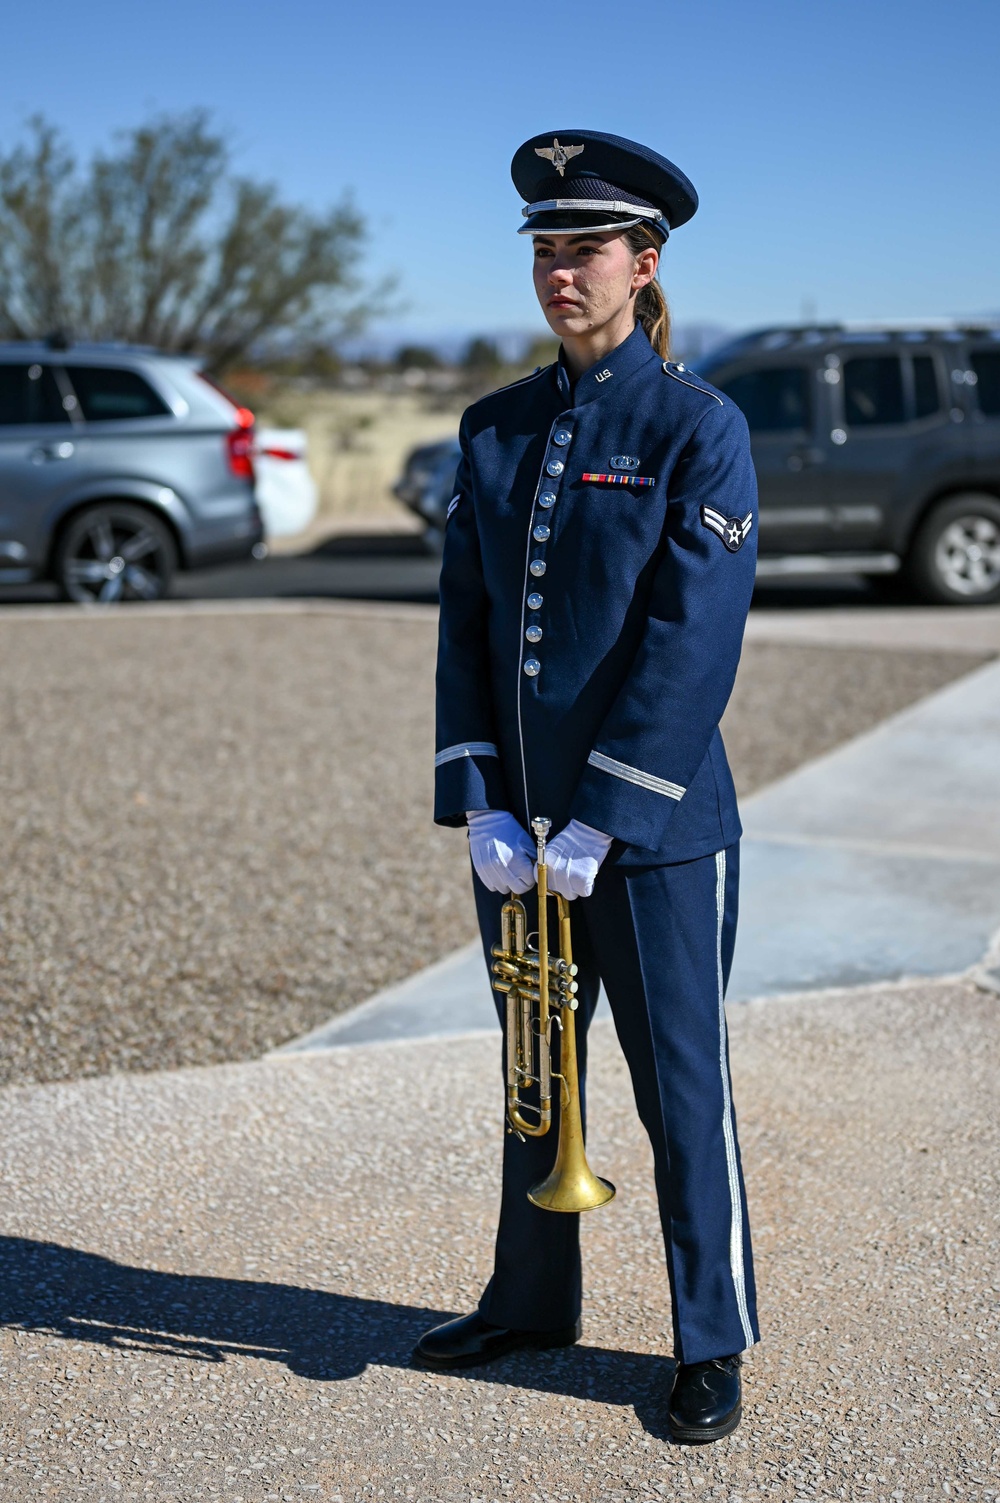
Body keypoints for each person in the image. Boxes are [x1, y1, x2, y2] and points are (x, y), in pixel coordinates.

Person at [415, 129, 760, 1444]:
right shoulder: (493, 427)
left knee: (681, 1091)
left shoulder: (698, 429)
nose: (563, 273)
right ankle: (528, 1302)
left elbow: (691, 643)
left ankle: (710, 1337)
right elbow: (466, 623)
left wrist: (608, 811)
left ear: (643, 262)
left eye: (588, 250)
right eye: (546, 252)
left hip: (658, 837)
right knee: (535, 1077)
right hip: (521, 839)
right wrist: (482, 798)